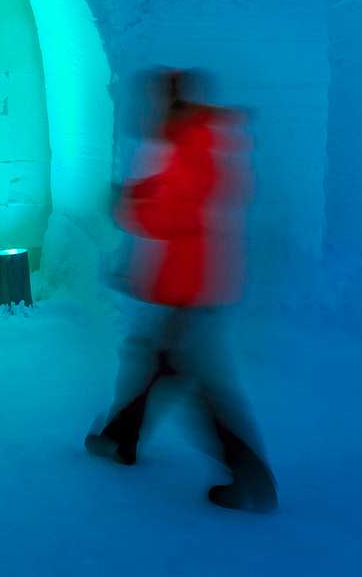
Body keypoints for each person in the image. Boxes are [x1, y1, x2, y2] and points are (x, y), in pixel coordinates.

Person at [85, 69, 278, 513]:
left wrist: (127, 209)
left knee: (194, 379)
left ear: (174, 102)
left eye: (158, 100)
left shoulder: (196, 143)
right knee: (155, 361)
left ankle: (247, 476)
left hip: (193, 285)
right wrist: (136, 192)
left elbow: (178, 214)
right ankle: (121, 440)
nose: (151, 110)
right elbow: (170, 189)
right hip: (187, 282)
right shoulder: (192, 139)